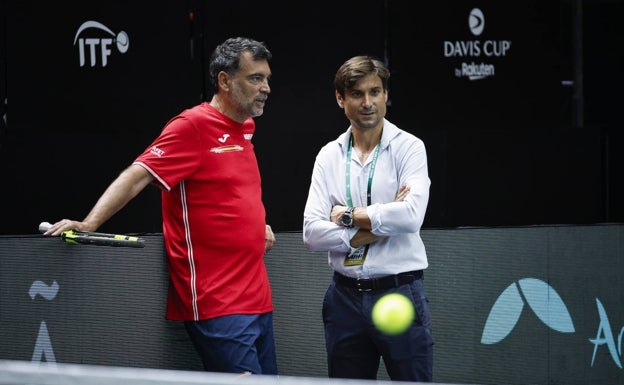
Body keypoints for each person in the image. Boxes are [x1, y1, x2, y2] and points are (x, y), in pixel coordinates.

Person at [44, 37, 278, 375]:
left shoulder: (246, 129)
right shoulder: (191, 126)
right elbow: (138, 175)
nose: (266, 87)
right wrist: (89, 222)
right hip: (217, 304)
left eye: (267, 78)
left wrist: (260, 222)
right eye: (255, 78)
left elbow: (235, 190)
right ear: (225, 81)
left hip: (258, 297)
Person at [302, 55, 433, 382]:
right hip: (344, 298)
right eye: (357, 94)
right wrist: (368, 230)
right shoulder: (329, 155)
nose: (368, 102)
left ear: (386, 95)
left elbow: (410, 217)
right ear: (340, 99)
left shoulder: (409, 148)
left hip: (398, 291)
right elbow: (312, 233)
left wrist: (346, 216)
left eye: (375, 92)